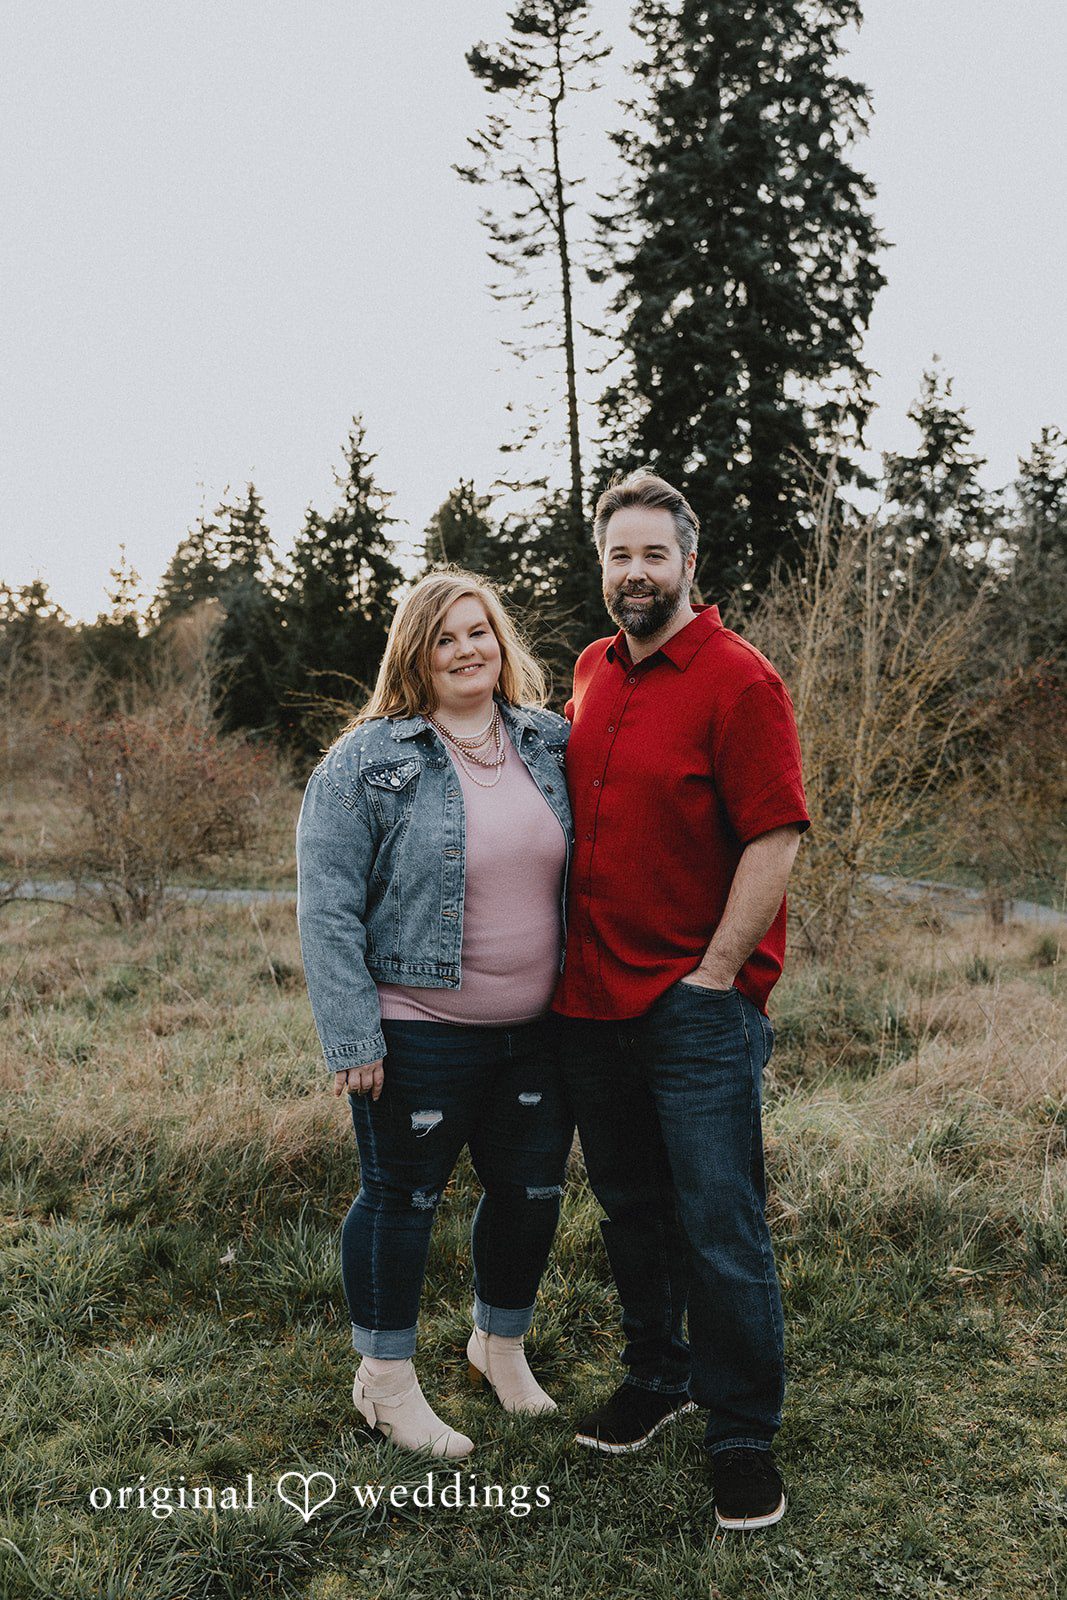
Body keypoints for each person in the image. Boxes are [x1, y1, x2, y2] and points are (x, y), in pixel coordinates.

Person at [552, 471, 810, 1530]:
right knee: (633, 1212)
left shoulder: (739, 681)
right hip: (588, 1003)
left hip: (693, 1007)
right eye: (619, 555)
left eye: (653, 554)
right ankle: (656, 1378)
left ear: (687, 564)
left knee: (719, 1221)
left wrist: (712, 977)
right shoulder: (588, 671)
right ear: (602, 566)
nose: (634, 573)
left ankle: (741, 1430)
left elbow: (775, 834)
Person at [296, 571, 574, 1459]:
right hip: (414, 1026)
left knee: (530, 1194)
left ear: (502, 641)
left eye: (480, 632)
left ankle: (498, 1345)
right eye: (445, 638)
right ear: (415, 653)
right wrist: (351, 1035)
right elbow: (326, 905)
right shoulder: (364, 761)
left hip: (537, 1031)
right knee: (400, 1199)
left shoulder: (548, 742)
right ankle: (384, 1383)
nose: (467, 650)